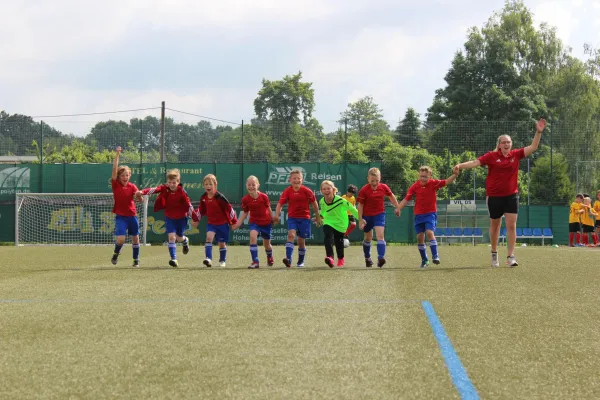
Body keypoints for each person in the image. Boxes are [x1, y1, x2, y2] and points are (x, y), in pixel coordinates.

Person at [453, 118, 546, 267]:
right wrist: (460, 165)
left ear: (511, 144)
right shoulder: (491, 156)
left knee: (511, 226)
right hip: (494, 196)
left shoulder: (516, 155)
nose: (506, 144)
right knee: (495, 226)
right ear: (499, 144)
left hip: (511, 196)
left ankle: (510, 257)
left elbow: (533, 147)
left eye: (508, 142)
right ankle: (494, 254)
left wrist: (538, 132)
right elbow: (476, 162)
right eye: (503, 142)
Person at [396, 166, 458, 268]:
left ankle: (435, 255)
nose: (423, 178)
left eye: (425, 176)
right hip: (418, 215)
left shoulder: (434, 183)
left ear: (430, 176)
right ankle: (425, 260)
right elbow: (406, 199)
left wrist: (455, 175)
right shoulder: (414, 186)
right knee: (420, 237)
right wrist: (398, 208)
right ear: (418, 175)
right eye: (421, 176)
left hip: (430, 214)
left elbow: (446, 181)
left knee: (429, 232)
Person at [135, 168, 198, 267]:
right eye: (169, 182)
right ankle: (174, 259)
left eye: (173, 182)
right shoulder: (165, 188)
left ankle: (185, 241)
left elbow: (188, 205)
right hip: (170, 217)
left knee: (179, 237)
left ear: (178, 182)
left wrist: (195, 218)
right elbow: (154, 190)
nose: (171, 184)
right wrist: (142, 192)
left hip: (181, 218)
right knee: (171, 237)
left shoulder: (182, 192)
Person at [273, 169, 322, 268]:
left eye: (298, 178)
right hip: (292, 218)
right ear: (290, 180)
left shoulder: (307, 190)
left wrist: (318, 216)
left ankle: (300, 261)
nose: (296, 180)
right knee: (291, 235)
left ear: (302, 180)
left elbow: (314, 203)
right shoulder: (287, 191)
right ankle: (288, 259)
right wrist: (277, 216)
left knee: (301, 241)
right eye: (294, 178)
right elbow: (279, 204)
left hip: (304, 218)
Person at [357, 167, 401, 268]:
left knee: (380, 236)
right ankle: (367, 258)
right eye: (372, 180)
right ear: (368, 178)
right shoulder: (364, 190)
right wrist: (360, 219)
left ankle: (381, 258)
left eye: (377, 180)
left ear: (380, 178)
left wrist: (397, 207)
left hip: (379, 214)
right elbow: (360, 205)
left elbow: (391, 196)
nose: (375, 182)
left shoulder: (384, 187)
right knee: (368, 238)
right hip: (367, 216)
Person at [191, 174, 237, 267]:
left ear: (215, 185)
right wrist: (197, 219)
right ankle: (208, 259)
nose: (208, 186)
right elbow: (201, 210)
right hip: (211, 223)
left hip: (222, 224)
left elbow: (229, 209)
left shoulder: (220, 197)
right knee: (208, 238)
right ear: (203, 185)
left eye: (210, 184)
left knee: (221, 243)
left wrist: (233, 221)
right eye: (206, 184)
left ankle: (222, 260)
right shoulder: (203, 198)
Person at [232, 176, 274, 269]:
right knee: (252, 236)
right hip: (254, 223)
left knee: (267, 245)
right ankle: (255, 261)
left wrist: (273, 218)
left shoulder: (264, 197)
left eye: (253, 184)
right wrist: (238, 223)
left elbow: (269, 209)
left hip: (266, 223)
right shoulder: (245, 199)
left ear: (258, 185)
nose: (251, 187)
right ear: (246, 186)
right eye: (249, 185)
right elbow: (245, 212)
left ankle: (270, 256)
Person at [110, 146, 141, 267]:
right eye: (122, 175)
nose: (125, 177)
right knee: (121, 239)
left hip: (132, 216)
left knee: (136, 238)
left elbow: (139, 196)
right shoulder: (115, 185)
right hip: (121, 217)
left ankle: (136, 260)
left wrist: (140, 197)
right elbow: (114, 169)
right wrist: (117, 155)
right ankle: (116, 254)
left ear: (130, 176)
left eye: (127, 175)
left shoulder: (132, 186)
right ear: (118, 177)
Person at [317, 180, 359, 268]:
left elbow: (352, 209)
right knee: (327, 235)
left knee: (338, 242)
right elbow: (324, 211)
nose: (326, 190)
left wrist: (362, 219)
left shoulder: (341, 200)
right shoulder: (321, 201)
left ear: (333, 189)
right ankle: (330, 257)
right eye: (324, 189)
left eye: (328, 188)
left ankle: (341, 258)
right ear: (321, 191)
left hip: (341, 223)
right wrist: (320, 217)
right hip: (328, 221)